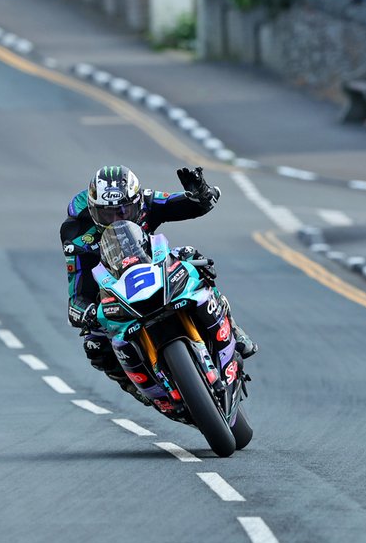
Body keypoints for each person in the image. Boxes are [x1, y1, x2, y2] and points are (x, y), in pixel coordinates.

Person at [61, 166, 257, 404]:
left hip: (155, 265)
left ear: (136, 202)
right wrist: (83, 312)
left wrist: (200, 191)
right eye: (107, 214)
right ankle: (135, 386)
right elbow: (77, 286)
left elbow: (195, 204)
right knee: (94, 344)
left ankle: (233, 329)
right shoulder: (76, 232)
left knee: (192, 258)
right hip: (113, 286)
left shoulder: (146, 201)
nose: (117, 218)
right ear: (93, 210)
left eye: (125, 211)